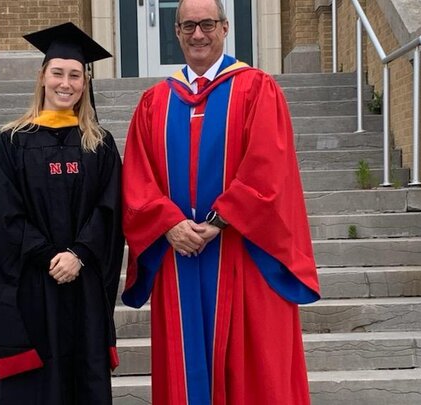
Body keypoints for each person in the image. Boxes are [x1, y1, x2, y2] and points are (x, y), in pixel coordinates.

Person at [121, 0, 321, 403]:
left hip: (241, 252)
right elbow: (137, 177)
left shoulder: (256, 88)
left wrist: (219, 219)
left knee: (252, 368)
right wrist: (169, 224)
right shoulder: (154, 103)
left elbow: (270, 166)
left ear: (225, 28)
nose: (199, 34)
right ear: (176, 32)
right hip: (178, 257)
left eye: (208, 24)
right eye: (189, 25)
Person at [0, 22, 124, 405]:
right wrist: (47, 255)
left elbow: (110, 209)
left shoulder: (100, 144)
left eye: (75, 75)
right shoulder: (12, 142)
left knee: (82, 379)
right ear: (42, 76)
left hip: (85, 284)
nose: (66, 83)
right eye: (57, 72)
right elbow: (0, 216)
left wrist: (79, 255)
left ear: (85, 82)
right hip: (33, 286)